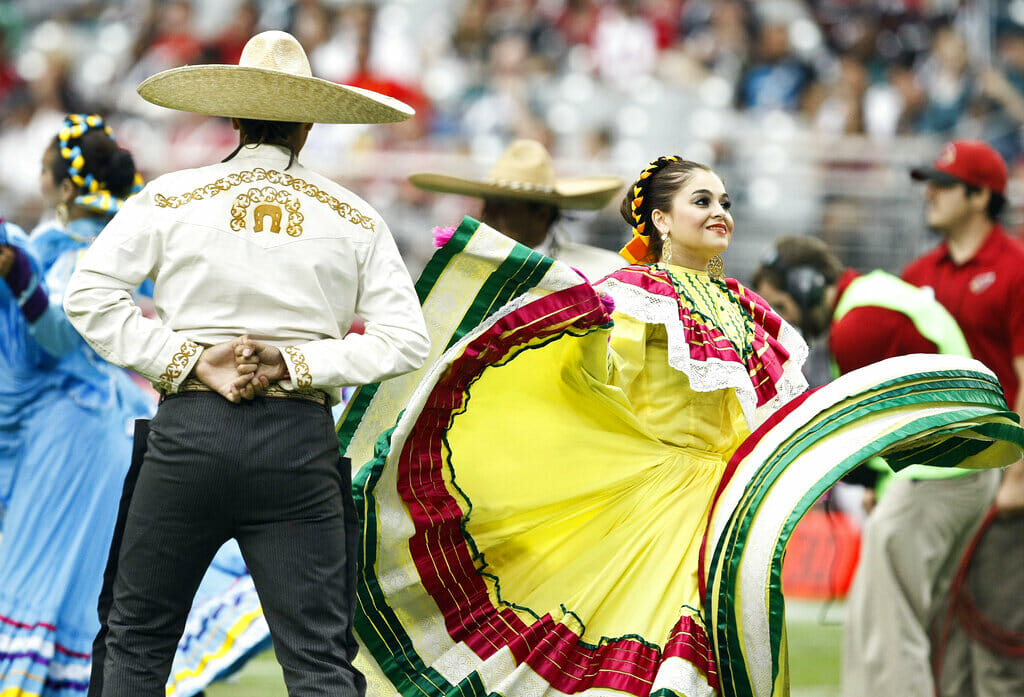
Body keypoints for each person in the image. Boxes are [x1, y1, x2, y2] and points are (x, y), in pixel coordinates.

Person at [62, 30, 430, 697]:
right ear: (310, 123)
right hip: (297, 445)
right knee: (319, 661)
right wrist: (294, 362)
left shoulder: (171, 196)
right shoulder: (355, 216)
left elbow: (86, 295)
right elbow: (406, 339)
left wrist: (188, 360)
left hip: (189, 433)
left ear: (232, 115)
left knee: (137, 639)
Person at [751, 235, 998, 697]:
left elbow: (871, 429)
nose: (791, 320)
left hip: (934, 479)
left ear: (808, 284)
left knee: (887, 629)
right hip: (958, 472)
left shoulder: (858, 324)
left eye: (786, 302)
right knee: (919, 624)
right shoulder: (879, 293)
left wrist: (860, 474)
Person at [0, 114, 158, 697]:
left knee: (42, 572)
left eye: (45, 170)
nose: (39, 179)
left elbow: (63, 333)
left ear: (66, 187)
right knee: (69, 580)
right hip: (85, 421)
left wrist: (20, 277)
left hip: (73, 429)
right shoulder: (99, 239)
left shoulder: (80, 247)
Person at [902, 139, 1024, 697]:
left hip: (1000, 475)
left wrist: (1017, 476)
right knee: (938, 632)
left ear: (981, 197)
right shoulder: (916, 273)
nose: (931, 193)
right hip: (934, 476)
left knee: (997, 634)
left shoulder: (1016, 268)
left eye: (945, 184)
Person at [408, 138, 627, 280]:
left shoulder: (599, 274)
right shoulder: (458, 270)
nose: (490, 215)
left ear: (542, 213)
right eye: (489, 203)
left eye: (505, 206)